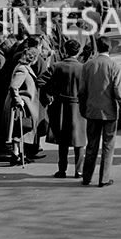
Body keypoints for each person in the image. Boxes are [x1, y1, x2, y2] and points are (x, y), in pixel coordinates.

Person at [78, 36, 121, 186]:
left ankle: (86, 177)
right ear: (110, 48)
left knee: (91, 145)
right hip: (109, 112)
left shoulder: (87, 66)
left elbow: (81, 91)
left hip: (92, 110)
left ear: (97, 48)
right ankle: (104, 178)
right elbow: (118, 92)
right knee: (108, 146)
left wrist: (83, 109)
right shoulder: (114, 66)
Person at [40, 39, 88, 179]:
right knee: (80, 140)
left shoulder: (56, 66)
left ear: (65, 51)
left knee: (63, 140)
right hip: (79, 107)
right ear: (78, 52)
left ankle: (62, 170)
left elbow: (41, 81)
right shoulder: (83, 68)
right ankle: (79, 171)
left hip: (61, 106)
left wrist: (51, 93)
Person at [1, 47, 46, 166]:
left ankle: (18, 154)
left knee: (20, 128)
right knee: (20, 128)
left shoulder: (22, 67)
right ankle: (16, 155)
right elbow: (14, 86)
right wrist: (18, 99)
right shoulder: (22, 69)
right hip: (21, 105)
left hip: (23, 104)